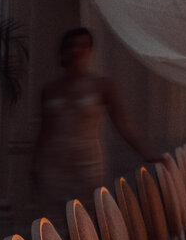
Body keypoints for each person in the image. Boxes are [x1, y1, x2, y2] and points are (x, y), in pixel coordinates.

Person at [31, 27, 162, 222]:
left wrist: (149, 154)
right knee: (54, 219)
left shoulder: (102, 85)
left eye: (83, 46)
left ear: (90, 50)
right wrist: (35, 164)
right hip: (55, 163)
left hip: (87, 162)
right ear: (64, 50)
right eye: (72, 45)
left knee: (85, 219)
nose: (77, 50)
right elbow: (45, 131)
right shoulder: (50, 89)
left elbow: (123, 124)